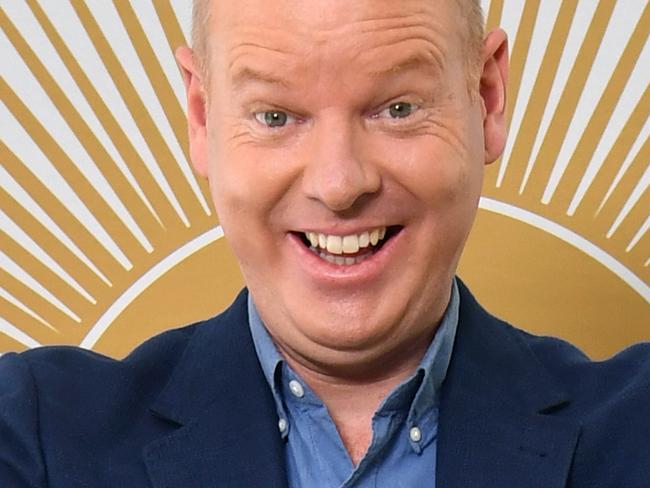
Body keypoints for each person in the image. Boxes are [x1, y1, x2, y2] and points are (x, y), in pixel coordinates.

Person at [1, 0, 648, 486]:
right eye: (276, 117)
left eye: (397, 108)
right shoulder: (39, 437)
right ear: (203, 117)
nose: (339, 185)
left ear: (486, 97)